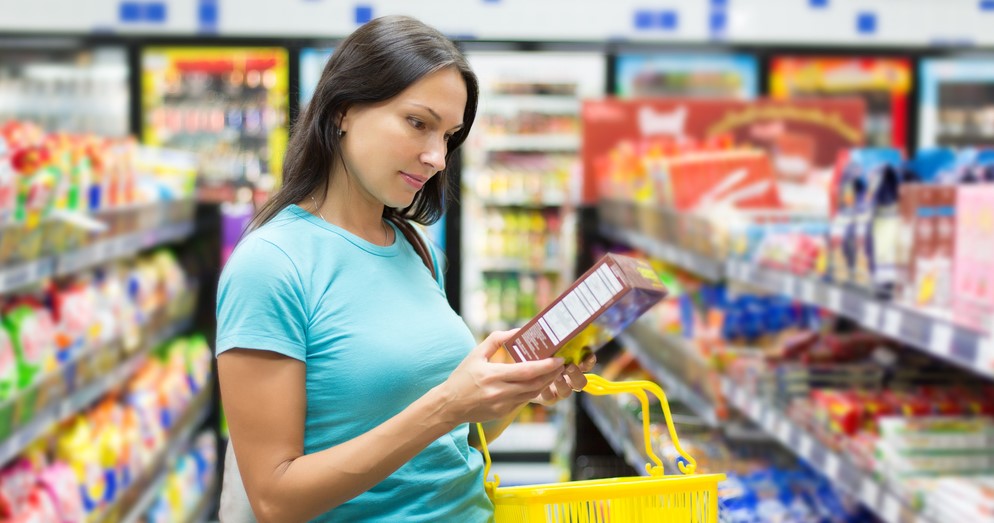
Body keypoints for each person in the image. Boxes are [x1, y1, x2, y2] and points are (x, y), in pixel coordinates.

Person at [215, 15, 595, 523]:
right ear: (344, 110)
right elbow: (275, 500)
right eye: (418, 123)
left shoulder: (416, 248)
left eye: (449, 134)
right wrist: (447, 404)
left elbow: (452, 442)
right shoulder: (272, 266)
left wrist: (511, 392)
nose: (438, 156)